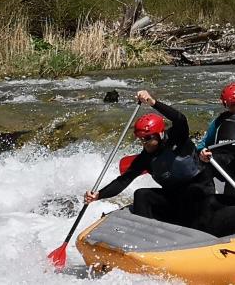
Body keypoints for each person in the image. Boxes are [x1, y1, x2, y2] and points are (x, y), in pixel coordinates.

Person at [85, 90, 214, 228]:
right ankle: (145, 233)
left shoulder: (178, 137)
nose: (144, 143)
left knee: (191, 193)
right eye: (140, 139)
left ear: (159, 134)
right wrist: (99, 195)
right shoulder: (145, 158)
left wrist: (153, 103)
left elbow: (180, 118)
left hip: (200, 190)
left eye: (147, 138)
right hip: (175, 196)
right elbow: (123, 181)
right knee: (141, 194)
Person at [196, 82, 235, 154]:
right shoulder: (219, 120)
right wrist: (201, 150)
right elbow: (204, 143)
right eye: (228, 104)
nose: (231, 107)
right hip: (218, 158)